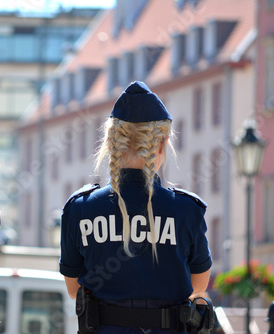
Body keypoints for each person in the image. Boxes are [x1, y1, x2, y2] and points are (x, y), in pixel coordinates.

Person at [59, 81, 212, 334]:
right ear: (161, 144)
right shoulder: (186, 209)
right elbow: (199, 284)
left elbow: (74, 289)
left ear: (111, 144)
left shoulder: (80, 208)